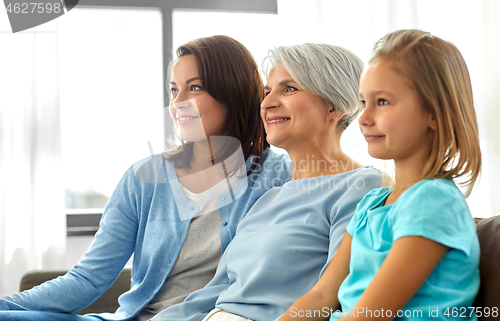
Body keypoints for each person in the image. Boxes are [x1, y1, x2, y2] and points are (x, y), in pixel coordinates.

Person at [0, 35, 292, 321]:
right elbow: (89, 279)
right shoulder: (143, 178)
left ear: (233, 92)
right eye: (174, 90)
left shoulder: (277, 175)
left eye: (195, 87)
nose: (178, 103)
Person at [151, 43, 383, 321]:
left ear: (335, 106)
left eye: (289, 89)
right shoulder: (268, 199)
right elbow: (211, 294)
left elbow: (335, 299)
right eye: (267, 91)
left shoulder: (362, 187)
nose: (267, 103)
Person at [278, 30, 482, 321]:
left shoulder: (433, 202)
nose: (363, 118)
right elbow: (321, 296)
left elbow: (370, 316)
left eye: (382, 102)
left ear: (433, 112)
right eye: (363, 102)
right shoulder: (372, 204)